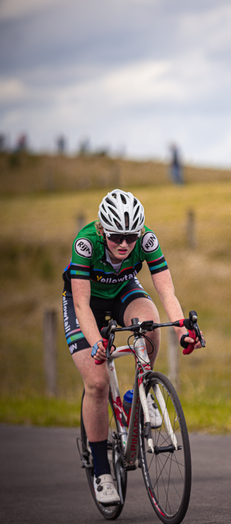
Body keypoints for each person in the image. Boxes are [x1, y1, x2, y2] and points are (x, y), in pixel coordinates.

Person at [62, 189, 202, 505]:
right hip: (83, 304)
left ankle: (137, 395)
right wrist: (97, 342)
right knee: (96, 383)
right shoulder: (86, 243)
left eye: (130, 236)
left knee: (150, 327)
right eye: (115, 237)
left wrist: (182, 329)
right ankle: (102, 471)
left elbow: (167, 293)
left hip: (124, 289)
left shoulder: (147, 240)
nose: (124, 244)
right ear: (102, 231)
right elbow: (82, 305)